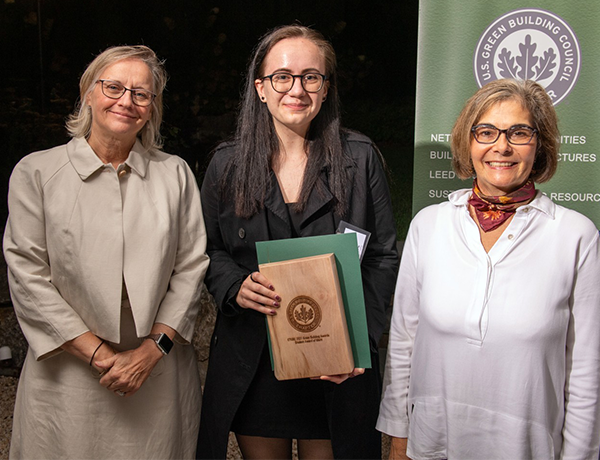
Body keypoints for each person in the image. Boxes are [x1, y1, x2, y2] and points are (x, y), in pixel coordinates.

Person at [196, 24, 399, 460]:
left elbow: (382, 255)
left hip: (335, 363)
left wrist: (360, 342)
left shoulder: (359, 159)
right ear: (261, 88)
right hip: (256, 359)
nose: (297, 89)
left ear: (326, 90)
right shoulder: (226, 165)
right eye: (282, 77)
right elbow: (208, 250)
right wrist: (234, 285)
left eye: (312, 77)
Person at [4, 45, 209, 459]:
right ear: (88, 94)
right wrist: (99, 354)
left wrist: (152, 350)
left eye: (141, 93)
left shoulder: (175, 174)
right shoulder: (36, 173)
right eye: (113, 87)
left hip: (157, 370)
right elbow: (27, 277)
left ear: (152, 108)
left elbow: (191, 268)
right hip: (69, 375)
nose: (126, 101)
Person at [377, 78, 600, 459]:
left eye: (519, 132)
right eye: (486, 132)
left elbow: (585, 371)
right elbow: (403, 342)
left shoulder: (576, 236)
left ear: (540, 144)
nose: (502, 146)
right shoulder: (428, 225)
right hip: (433, 443)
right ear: (468, 142)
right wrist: (399, 437)